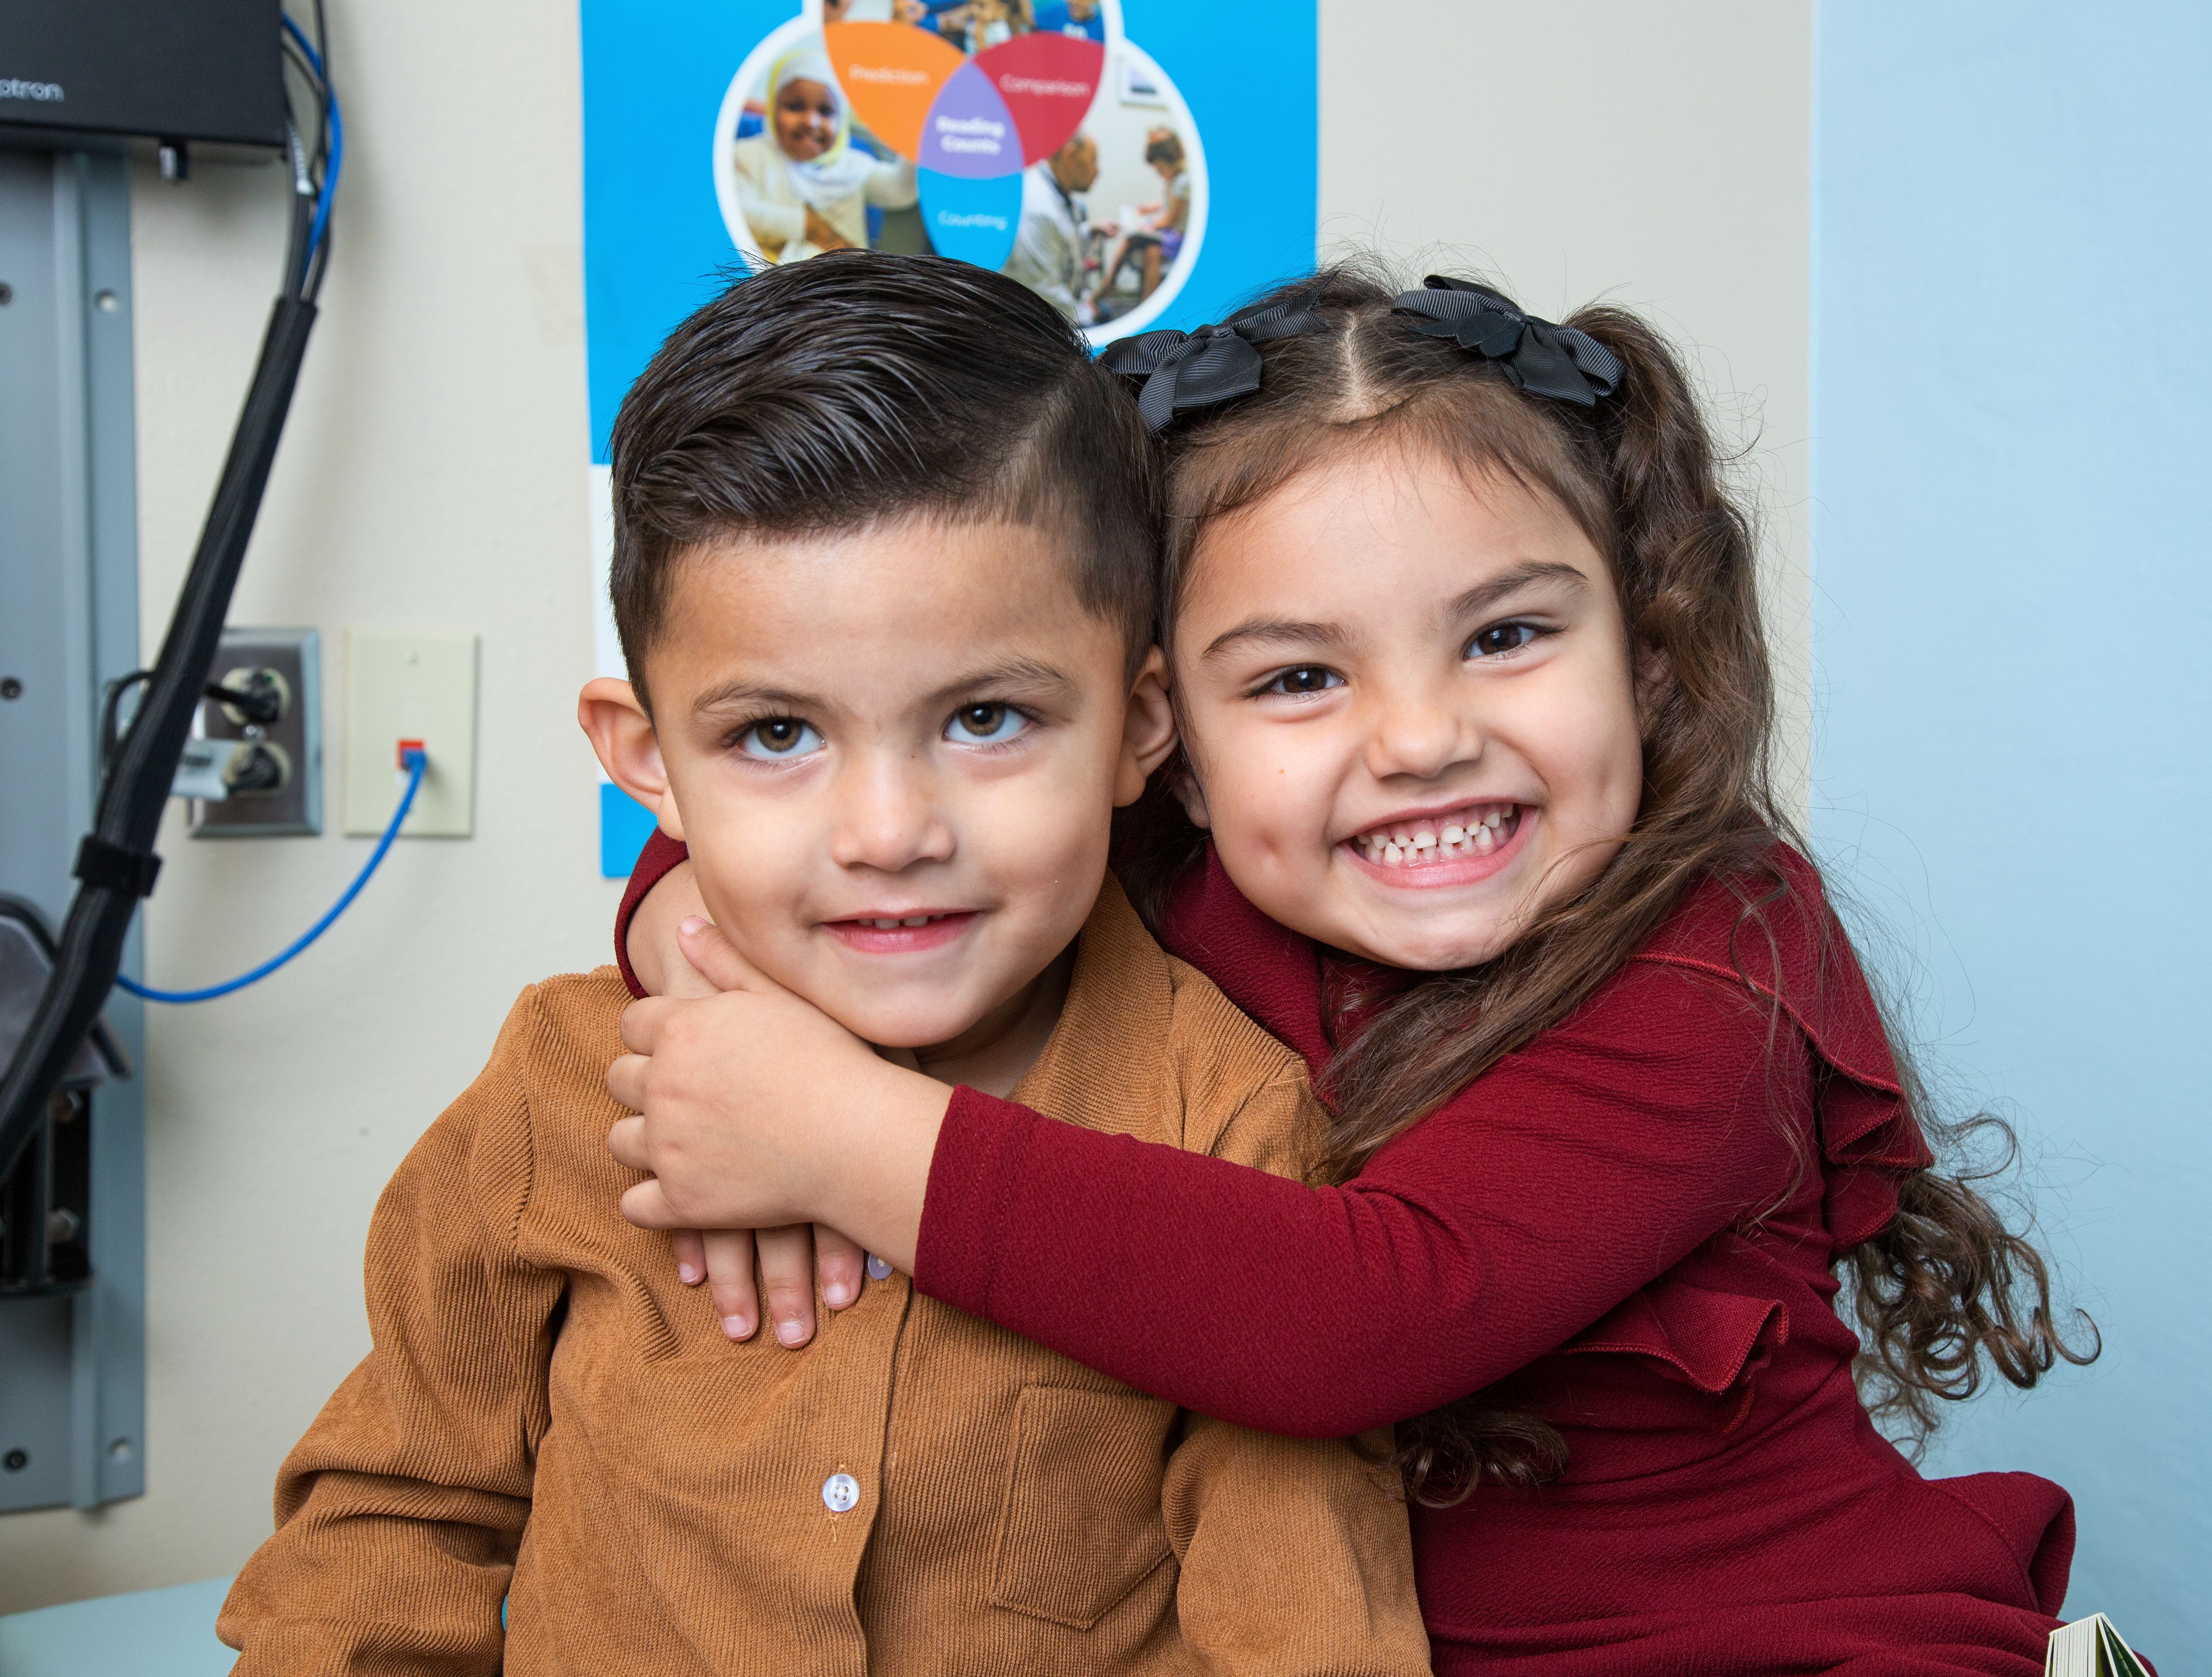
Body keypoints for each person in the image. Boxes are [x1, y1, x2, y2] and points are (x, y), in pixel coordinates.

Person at [607, 262, 2120, 1676]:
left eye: (1507, 635)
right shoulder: (1184, 888)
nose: (1417, 740)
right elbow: (874, 846)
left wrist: (838, 1137)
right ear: (1162, 741)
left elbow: (1362, 1315)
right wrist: (689, 952)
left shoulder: (1717, 955)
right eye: (1300, 679)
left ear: (1647, 659)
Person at [216, 255, 1431, 1677]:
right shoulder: (562, 1084)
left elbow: (1305, 1624)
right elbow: (393, 1521)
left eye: (986, 716)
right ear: (648, 763)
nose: (889, 833)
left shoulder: (1230, 1120)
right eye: (776, 736)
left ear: (1139, 724)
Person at [730, 43, 917, 262]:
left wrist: (915, 139)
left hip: (845, 289)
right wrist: (810, 226)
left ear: (843, 120)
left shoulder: (853, 165)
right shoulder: (746, 155)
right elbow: (737, 212)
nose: (811, 122)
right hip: (769, 283)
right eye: (796, 107)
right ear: (773, 109)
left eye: (826, 111)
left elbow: (901, 192)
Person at [1090, 126, 1190, 317]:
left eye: (1160, 169)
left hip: (1179, 237)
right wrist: (1147, 209)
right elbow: (1167, 202)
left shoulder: (1183, 182)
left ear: (1173, 161)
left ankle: (1146, 303)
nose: (1159, 174)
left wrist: (1150, 225)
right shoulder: (1173, 181)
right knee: (1131, 239)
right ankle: (1110, 286)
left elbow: (1173, 217)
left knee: (1151, 250)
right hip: (1169, 233)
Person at [1004, 133, 1097, 323]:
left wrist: (1088, 232)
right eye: (1093, 161)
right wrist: (1087, 315)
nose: (1097, 171)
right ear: (1070, 155)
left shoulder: (1059, 194)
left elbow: (1062, 244)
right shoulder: (1037, 207)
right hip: (1036, 323)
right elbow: (1043, 292)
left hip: (1063, 308)